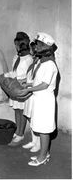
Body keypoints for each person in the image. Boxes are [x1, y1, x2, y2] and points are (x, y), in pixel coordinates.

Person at [19, 32, 58, 166]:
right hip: (39, 99)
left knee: (44, 130)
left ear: (45, 48)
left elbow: (44, 85)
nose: (36, 48)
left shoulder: (50, 65)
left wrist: (28, 89)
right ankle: (44, 153)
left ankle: (42, 157)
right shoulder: (43, 62)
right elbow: (38, 81)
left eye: (39, 45)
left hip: (45, 101)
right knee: (41, 129)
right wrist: (29, 84)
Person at [7, 32, 33, 147]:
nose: (16, 47)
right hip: (14, 86)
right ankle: (17, 131)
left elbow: (30, 76)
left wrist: (23, 84)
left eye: (17, 44)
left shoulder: (28, 59)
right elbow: (14, 70)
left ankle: (21, 134)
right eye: (15, 44)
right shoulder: (16, 57)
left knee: (22, 111)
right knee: (17, 109)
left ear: (23, 44)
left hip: (22, 88)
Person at [22, 41, 41, 152]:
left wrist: (29, 84)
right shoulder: (34, 62)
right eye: (32, 49)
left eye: (34, 49)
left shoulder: (41, 63)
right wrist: (25, 81)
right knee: (29, 117)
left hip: (35, 94)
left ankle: (38, 143)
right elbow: (30, 76)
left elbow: (38, 81)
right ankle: (34, 141)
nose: (33, 51)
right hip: (29, 93)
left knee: (35, 119)